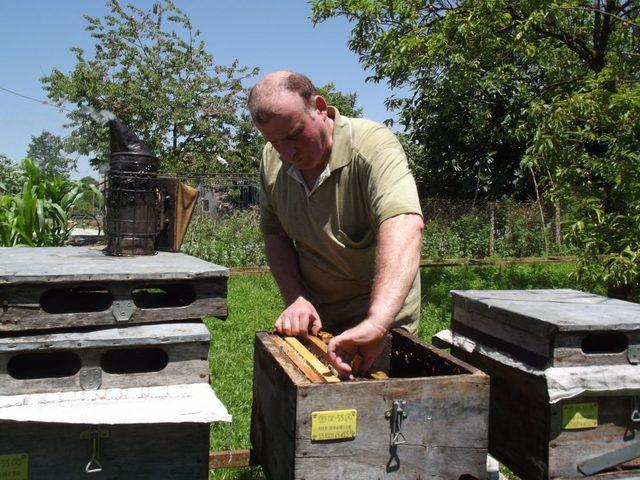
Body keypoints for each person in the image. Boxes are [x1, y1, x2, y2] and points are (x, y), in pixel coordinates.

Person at [248, 71, 424, 379]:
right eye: (273, 141)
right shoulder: (272, 159)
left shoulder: (372, 145)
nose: (286, 153)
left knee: (381, 416)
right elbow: (275, 235)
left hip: (382, 317)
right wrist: (297, 299)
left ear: (319, 106)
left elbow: (404, 222)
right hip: (320, 321)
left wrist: (377, 323)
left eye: (293, 135)